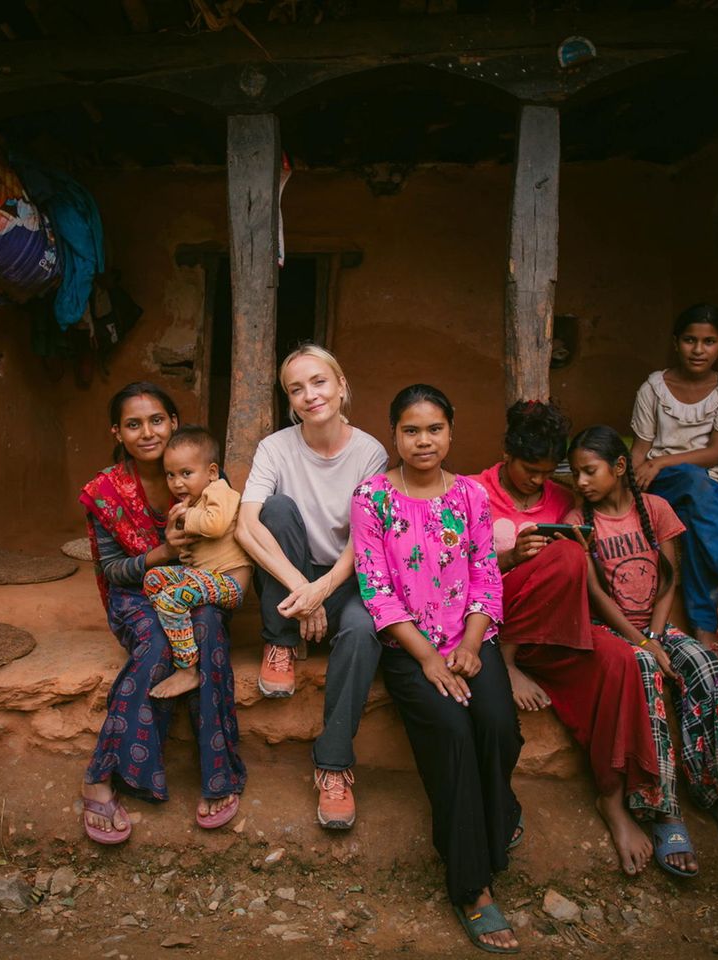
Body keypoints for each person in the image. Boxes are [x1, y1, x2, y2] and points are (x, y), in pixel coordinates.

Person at [351, 384, 520, 954]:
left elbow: (485, 576)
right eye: (411, 430)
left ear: (450, 431)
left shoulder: (471, 494)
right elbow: (375, 589)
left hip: (470, 637)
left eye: (434, 429)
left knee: (498, 725)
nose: (423, 440)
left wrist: (472, 646)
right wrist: (427, 657)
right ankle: (473, 888)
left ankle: (497, 816)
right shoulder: (372, 497)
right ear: (394, 435)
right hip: (410, 650)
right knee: (452, 737)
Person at [475, 400, 662, 877]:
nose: (540, 482)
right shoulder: (470, 493)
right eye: (528, 470)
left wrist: (586, 553)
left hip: (554, 632)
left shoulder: (563, 499)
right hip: (492, 632)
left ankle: (613, 799)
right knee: (561, 560)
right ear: (506, 453)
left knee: (620, 659)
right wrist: (513, 559)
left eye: (546, 472)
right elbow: (456, 579)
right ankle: (509, 660)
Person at [567, 425, 718, 877]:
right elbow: (595, 594)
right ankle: (665, 809)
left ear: (618, 468)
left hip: (655, 627)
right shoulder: (580, 522)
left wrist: (658, 635)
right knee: (642, 673)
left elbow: (668, 578)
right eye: (575, 474)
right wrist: (644, 644)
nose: (580, 483)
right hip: (613, 634)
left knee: (704, 665)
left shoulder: (655, 508)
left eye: (589, 472)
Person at [78, 383, 245, 845]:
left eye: (157, 420)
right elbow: (113, 570)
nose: (147, 432)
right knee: (156, 643)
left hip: (200, 587)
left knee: (208, 626)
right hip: (136, 595)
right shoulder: (105, 492)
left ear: (173, 422)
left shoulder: (204, 472)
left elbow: (230, 536)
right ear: (118, 431)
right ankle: (101, 773)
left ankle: (219, 774)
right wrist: (161, 552)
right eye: (133, 424)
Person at [235, 344, 388, 830]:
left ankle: (334, 762)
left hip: (345, 577)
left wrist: (323, 590)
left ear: (341, 386)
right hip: (292, 576)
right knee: (274, 512)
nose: (309, 395)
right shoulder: (275, 447)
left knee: (364, 630)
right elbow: (245, 527)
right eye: (296, 389)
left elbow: (367, 542)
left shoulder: (370, 453)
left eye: (319, 382)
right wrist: (303, 588)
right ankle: (280, 643)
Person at [630, 303, 718, 656]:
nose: (698, 349)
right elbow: (641, 449)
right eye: (690, 340)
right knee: (693, 485)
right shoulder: (654, 388)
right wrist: (631, 484)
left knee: (698, 521)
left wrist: (663, 460)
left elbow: (716, 451)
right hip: (663, 484)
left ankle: (703, 627)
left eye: (709, 342)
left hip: (707, 482)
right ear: (676, 342)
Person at [143, 426, 253, 699]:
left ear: (212, 472)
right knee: (153, 579)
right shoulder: (194, 502)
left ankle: (187, 669)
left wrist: (185, 518)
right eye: (171, 475)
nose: (177, 483)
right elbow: (192, 554)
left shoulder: (219, 491)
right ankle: (179, 631)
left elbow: (215, 526)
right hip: (206, 578)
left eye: (186, 473)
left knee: (171, 599)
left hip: (229, 581)